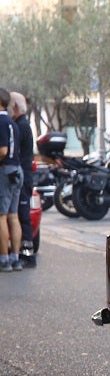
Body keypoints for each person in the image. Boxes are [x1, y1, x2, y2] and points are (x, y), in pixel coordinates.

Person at [10, 92, 34, 267]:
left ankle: (27, 255)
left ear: (16, 107)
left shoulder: (21, 126)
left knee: (22, 216)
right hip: (24, 176)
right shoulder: (20, 125)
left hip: (23, 178)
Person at [0, 88, 22, 272]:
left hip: (5, 171)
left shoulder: (0, 122)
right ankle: (16, 258)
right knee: (14, 217)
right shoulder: (13, 123)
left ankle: (4, 259)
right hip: (17, 170)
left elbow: (3, 150)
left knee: (1, 216)